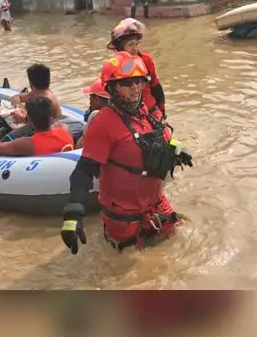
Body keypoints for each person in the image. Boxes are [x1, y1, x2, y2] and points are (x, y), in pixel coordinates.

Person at [60, 51, 194, 254]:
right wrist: (73, 214)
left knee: (188, 244)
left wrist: (177, 147)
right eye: (127, 83)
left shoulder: (144, 114)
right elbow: (84, 171)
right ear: (112, 88)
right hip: (124, 218)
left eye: (139, 81)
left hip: (157, 205)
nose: (135, 88)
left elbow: (157, 138)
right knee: (129, 271)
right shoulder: (103, 123)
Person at [107, 18, 166, 120]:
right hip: (128, 114)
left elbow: (156, 86)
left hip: (151, 110)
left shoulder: (146, 60)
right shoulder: (114, 66)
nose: (134, 48)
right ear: (120, 48)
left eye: (136, 44)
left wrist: (162, 109)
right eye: (130, 45)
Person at [0, 95, 73, 157]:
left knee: (4, 140)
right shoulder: (65, 129)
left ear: (30, 120)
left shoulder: (28, 144)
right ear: (52, 115)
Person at [74, 79, 109, 149]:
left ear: (97, 99)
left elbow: (79, 146)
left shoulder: (94, 116)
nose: (90, 100)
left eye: (90, 97)